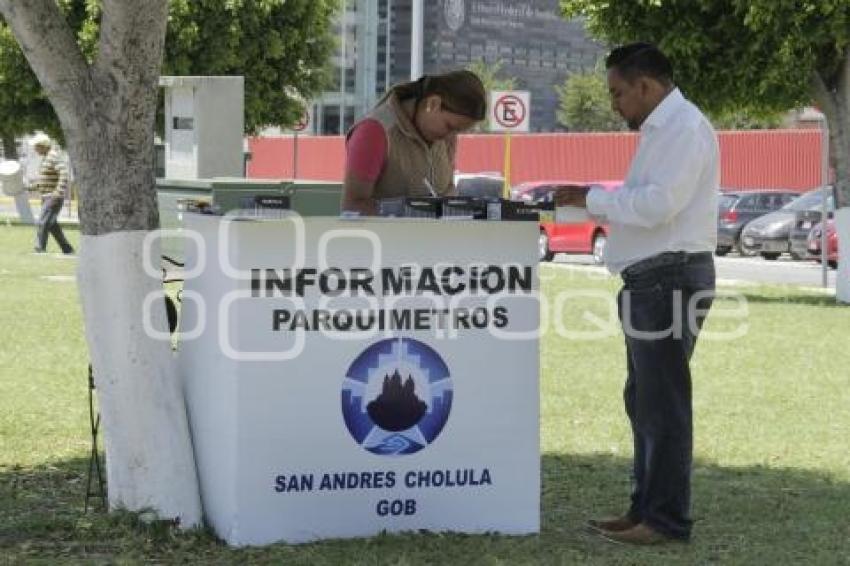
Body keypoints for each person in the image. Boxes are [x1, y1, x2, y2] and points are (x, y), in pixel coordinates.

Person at [558, 43, 719, 544]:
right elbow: (649, 203)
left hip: (669, 278)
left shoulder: (683, 128)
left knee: (662, 404)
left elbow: (657, 206)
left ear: (646, 85)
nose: (614, 104)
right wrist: (595, 200)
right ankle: (644, 510)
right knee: (645, 401)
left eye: (618, 92)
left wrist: (592, 199)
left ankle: (665, 521)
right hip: (655, 278)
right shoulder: (664, 129)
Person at [342, 70, 486, 215]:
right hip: (385, 236)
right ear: (433, 103)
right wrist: (408, 214)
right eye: (449, 126)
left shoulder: (446, 137)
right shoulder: (374, 132)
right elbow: (353, 205)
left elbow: (447, 190)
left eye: (458, 131)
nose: (450, 137)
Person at [31, 133, 74, 254]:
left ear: (43, 145)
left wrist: (58, 192)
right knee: (52, 225)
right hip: (46, 196)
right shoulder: (46, 157)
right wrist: (28, 187)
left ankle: (40, 248)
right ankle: (67, 249)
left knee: (42, 222)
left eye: (36, 147)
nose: (35, 149)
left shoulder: (53, 156)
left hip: (53, 196)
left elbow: (64, 174)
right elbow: (44, 180)